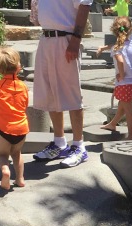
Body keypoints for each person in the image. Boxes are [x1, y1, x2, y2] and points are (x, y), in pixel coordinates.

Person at [32, 0, 93, 167]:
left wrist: (76, 39)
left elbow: (85, 5)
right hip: (46, 39)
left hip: (66, 40)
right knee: (50, 92)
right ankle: (59, 143)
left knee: (71, 93)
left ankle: (79, 146)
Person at [0, 46, 30, 191]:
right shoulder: (23, 86)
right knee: (17, 153)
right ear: (18, 67)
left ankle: (5, 171)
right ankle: (20, 179)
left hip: (5, 130)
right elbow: (26, 104)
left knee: (3, 155)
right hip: (22, 128)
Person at [96, 17, 132, 140]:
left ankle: (131, 135)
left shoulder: (116, 48)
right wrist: (104, 47)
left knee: (129, 111)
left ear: (114, 31)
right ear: (130, 30)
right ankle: (112, 124)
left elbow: (120, 61)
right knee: (123, 105)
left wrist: (121, 74)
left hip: (124, 83)